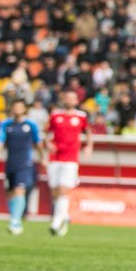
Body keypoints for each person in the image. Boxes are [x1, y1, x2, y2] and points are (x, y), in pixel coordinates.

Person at [45, 88, 93, 237]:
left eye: (72, 98)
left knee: (63, 189)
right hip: (55, 157)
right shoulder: (55, 115)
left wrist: (89, 146)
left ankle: (56, 222)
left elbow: (88, 132)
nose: (70, 101)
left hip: (71, 158)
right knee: (55, 192)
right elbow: (46, 132)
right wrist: (48, 143)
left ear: (76, 101)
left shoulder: (81, 116)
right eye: (67, 98)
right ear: (63, 99)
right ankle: (64, 217)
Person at [0, 100, 45, 235]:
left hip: (25, 163)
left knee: (20, 190)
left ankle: (15, 221)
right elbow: (0, 139)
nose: (17, 109)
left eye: (20, 107)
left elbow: (38, 142)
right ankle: (14, 218)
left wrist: (43, 157)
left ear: (24, 109)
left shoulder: (31, 125)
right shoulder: (5, 124)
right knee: (10, 193)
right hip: (11, 163)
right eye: (15, 106)